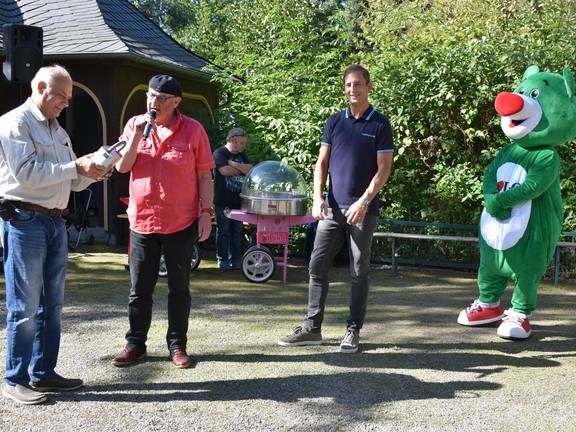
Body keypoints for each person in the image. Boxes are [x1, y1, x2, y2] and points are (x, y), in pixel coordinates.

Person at [0, 65, 110, 405]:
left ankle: (43, 372)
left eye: (69, 98)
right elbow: (29, 175)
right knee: (25, 306)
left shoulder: (57, 129)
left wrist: (94, 171)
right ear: (41, 87)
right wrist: (76, 167)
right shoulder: (14, 123)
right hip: (24, 221)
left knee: (53, 304)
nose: (66, 103)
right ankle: (15, 379)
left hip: (55, 222)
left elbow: (70, 180)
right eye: (61, 96)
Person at [278, 64, 394, 353]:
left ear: (369, 86)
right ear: (344, 88)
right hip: (331, 210)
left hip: (363, 212)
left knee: (359, 270)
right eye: (348, 85)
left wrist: (364, 201)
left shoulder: (380, 124)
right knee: (317, 266)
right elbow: (322, 163)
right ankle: (311, 328)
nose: (353, 89)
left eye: (358, 84)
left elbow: (384, 170)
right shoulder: (334, 122)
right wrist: (318, 198)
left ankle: (353, 331)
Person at [112, 74, 215, 369]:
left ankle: (177, 345)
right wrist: (134, 137)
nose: (152, 102)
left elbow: (204, 176)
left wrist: (205, 213)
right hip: (142, 220)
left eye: (160, 98)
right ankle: (135, 345)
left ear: (176, 102)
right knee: (139, 288)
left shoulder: (193, 131)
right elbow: (122, 166)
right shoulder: (134, 125)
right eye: (149, 95)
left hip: (180, 222)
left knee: (179, 288)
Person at [213, 127, 252, 269]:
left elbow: (250, 169)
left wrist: (234, 164)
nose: (243, 146)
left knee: (237, 232)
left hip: (239, 202)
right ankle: (222, 259)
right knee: (223, 231)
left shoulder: (242, 156)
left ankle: (235, 259)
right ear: (232, 140)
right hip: (223, 201)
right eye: (241, 143)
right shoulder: (219, 153)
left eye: (244, 143)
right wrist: (241, 169)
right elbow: (224, 170)